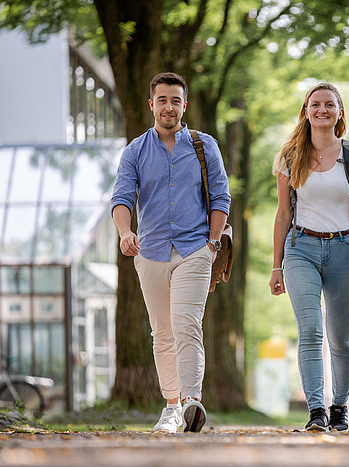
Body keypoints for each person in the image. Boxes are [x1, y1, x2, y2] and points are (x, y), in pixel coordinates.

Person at [111, 72, 231, 433]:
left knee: (186, 324)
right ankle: (171, 406)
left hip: (195, 249)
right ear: (152, 104)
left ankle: (193, 401)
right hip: (150, 251)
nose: (168, 107)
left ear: (184, 105)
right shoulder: (135, 150)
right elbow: (121, 198)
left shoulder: (204, 145)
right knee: (162, 332)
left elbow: (221, 197)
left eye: (175, 100)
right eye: (162, 100)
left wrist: (211, 244)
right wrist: (124, 231)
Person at [270, 82, 349, 432]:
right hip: (300, 249)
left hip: (345, 250)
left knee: (341, 337)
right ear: (305, 111)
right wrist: (276, 265)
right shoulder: (289, 156)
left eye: (329, 104)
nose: (322, 110)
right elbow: (283, 214)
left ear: (340, 111)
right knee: (310, 330)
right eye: (314, 104)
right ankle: (316, 410)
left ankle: (339, 408)